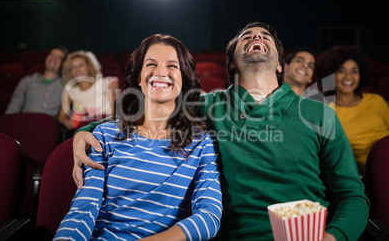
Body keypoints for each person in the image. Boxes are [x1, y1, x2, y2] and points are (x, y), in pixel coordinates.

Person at [72, 22, 369, 241]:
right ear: (230, 63)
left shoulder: (318, 114)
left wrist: (332, 238)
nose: (256, 37)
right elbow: (147, 111)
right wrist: (86, 130)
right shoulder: (207, 106)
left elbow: (353, 196)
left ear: (280, 64)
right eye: (246, 36)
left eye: (265, 36)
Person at [54, 34, 222, 241]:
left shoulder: (200, 143)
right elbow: (83, 210)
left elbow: (209, 216)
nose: (160, 72)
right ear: (139, 79)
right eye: (151, 64)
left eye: (172, 66)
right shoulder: (105, 135)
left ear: (184, 81)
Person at [316, 44, 389, 173]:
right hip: (357, 174)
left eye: (354, 71)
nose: (348, 77)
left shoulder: (377, 101)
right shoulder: (327, 112)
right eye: (341, 71)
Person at [58, 50, 119, 133]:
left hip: (106, 127)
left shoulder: (105, 83)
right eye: (73, 67)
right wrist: (66, 121)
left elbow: (115, 113)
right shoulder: (69, 88)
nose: (77, 70)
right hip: (82, 130)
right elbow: (62, 115)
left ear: (89, 66)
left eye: (81, 65)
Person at [5, 45, 68, 118]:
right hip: (27, 124)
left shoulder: (65, 84)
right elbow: (12, 110)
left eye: (59, 57)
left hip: (50, 126)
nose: (53, 58)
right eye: (51, 55)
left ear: (64, 64)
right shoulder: (27, 81)